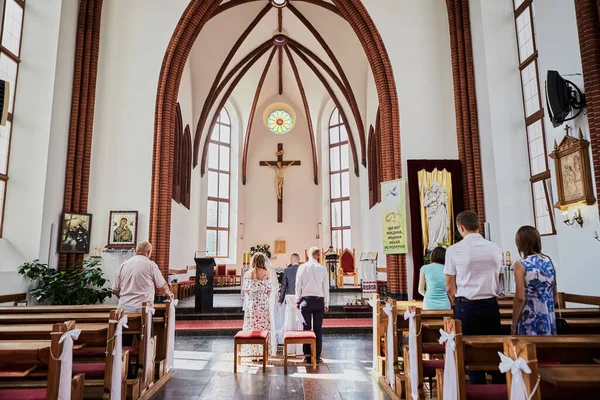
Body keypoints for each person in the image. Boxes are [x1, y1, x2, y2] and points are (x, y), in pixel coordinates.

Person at [444, 211, 504, 384]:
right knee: (494, 349)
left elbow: (449, 286)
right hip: (491, 305)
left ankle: (477, 387)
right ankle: (499, 389)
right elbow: (499, 277)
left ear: (461, 228)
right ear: (478, 225)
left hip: (467, 307)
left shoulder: (454, 250)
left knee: (470, 352)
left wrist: (456, 301)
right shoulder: (495, 248)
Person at [511, 226, 557, 336]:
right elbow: (554, 292)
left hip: (530, 317)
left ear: (520, 243)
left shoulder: (521, 265)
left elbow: (520, 298)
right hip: (548, 316)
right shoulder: (549, 261)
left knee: (529, 351)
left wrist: (513, 325)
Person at [113, 241, 174, 313]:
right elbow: (163, 287)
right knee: (145, 324)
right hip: (143, 310)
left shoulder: (123, 265)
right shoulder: (150, 265)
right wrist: (170, 294)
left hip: (123, 309)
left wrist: (125, 299)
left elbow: (115, 290)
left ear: (136, 251)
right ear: (148, 252)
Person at [296, 246, 329, 364]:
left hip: (306, 301)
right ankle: (317, 356)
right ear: (318, 255)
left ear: (308, 255)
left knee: (306, 329)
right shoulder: (322, 268)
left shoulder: (302, 267)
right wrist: (327, 303)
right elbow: (326, 287)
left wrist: (297, 300)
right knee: (317, 330)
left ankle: (307, 356)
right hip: (319, 300)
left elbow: (298, 285)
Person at [240, 253, 272, 358]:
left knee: (252, 326)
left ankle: (252, 352)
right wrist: (263, 297)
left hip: (252, 302)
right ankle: (263, 352)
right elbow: (269, 290)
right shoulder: (266, 273)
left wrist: (253, 297)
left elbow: (246, 290)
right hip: (263, 302)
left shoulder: (248, 273)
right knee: (263, 326)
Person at [279, 253, 302, 354]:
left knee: (289, 319)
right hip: (300, 296)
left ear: (291, 260)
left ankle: (289, 348)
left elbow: (284, 286)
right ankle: (300, 348)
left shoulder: (287, 270)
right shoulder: (303, 269)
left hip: (289, 296)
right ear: (299, 259)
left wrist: (281, 299)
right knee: (300, 320)